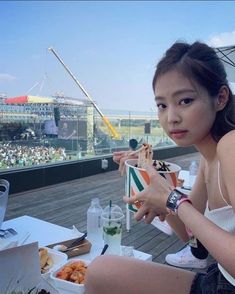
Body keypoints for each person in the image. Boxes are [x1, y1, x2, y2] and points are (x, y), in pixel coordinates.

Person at [85, 41, 235, 293]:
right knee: (100, 270)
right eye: (162, 105)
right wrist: (152, 182)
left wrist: (173, 199)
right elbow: (193, 238)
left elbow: (182, 208)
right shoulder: (208, 161)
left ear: (220, 98)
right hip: (218, 278)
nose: (171, 117)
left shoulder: (230, 145)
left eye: (185, 101)